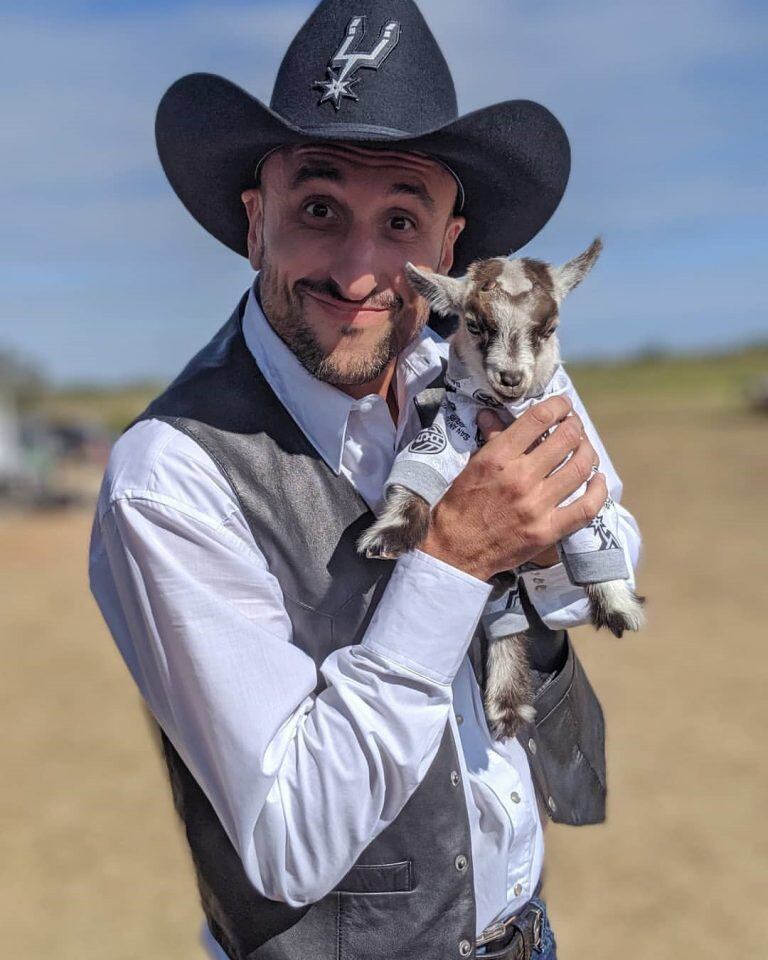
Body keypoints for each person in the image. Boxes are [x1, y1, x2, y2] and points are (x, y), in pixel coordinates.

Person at [88, 2, 642, 958]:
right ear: (256, 221)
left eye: (399, 219)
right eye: (317, 209)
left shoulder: (467, 362)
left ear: (449, 250)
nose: (360, 269)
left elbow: (606, 555)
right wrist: (455, 559)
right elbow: (285, 842)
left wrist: (553, 554)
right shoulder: (170, 477)